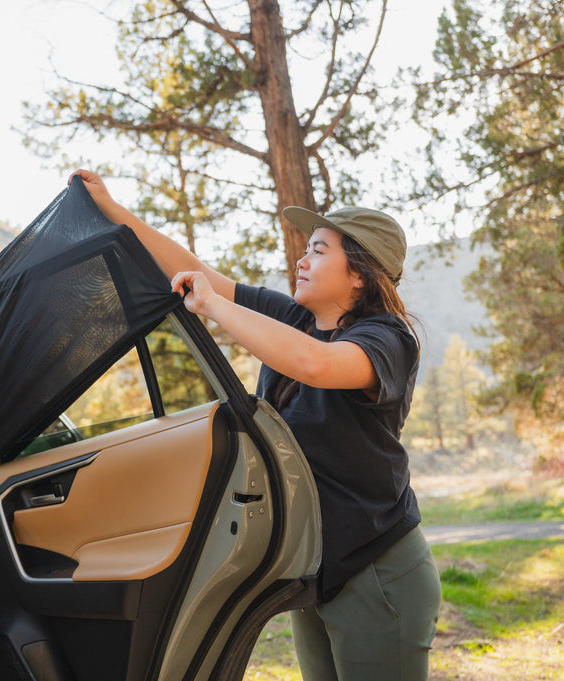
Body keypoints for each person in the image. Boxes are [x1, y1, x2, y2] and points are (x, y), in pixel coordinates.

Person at [70, 169, 442, 681]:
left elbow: (314, 364)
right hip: (318, 567)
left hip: (378, 570)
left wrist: (214, 305)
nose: (302, 260)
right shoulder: (295, 321)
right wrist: (112, 209)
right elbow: (193, 270)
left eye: (318, 250)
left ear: (359, 274)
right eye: (305, 249)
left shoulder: (389, 339)